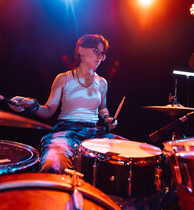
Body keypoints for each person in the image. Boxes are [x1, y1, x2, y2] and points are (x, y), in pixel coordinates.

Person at [8, 34, 126, 173]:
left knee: (131, 151)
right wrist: (32, 105)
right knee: (53, 166)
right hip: (66, 132)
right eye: (96, 52)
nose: (100, 57)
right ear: (81, 50)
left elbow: (103, 108)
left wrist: (107, 119)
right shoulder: (63, 78)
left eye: (102, 54)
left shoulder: (102, 82)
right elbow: (48, 110)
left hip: (95, 132)